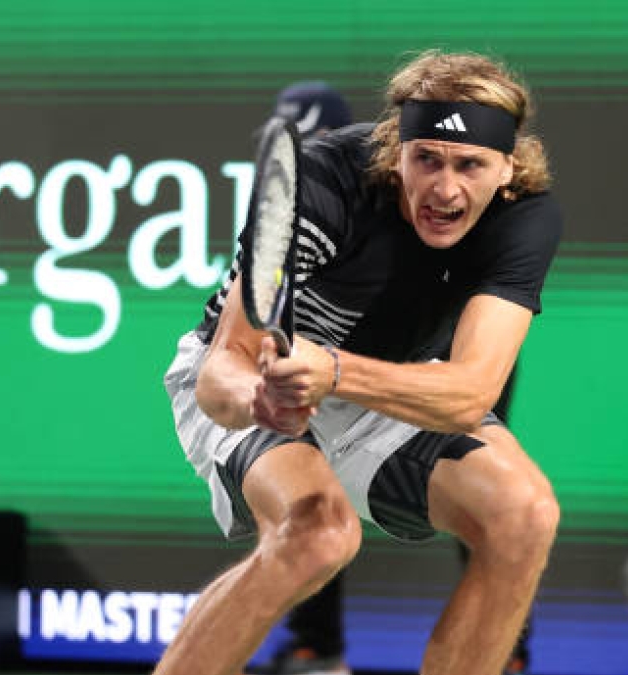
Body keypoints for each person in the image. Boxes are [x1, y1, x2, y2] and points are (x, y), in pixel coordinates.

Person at [161, 49, 562, 675]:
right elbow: (220, 373)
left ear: (508, 167)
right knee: (318, 533)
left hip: (377, 381)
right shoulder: (322, 183)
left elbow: (469, 393)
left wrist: (336, 372)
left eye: (470, 164)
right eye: (425, 158)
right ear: (393, 149)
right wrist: (256, 399)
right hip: (255, 374)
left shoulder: (524, 219)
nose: (445, 187)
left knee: (524, 514)